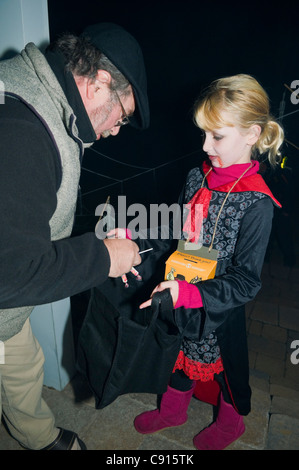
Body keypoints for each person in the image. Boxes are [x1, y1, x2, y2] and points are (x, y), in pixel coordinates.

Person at [0, 22, 149, 450]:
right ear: (101, 82)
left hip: (5, 315)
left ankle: (40, 438)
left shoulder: (42, 95)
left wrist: (98, 243)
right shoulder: (23, 130)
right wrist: (104, 259)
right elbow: (12, 272)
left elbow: (23, 221)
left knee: (23, 365)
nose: (117, 130)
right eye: (123, 115)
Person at [130, 74, 284, 450]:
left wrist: (193, 294)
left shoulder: (258, 204)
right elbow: (176, 228)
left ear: (251, 134)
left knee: (227, 367)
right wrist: (131, 234)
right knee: (177, 351)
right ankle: (173, 410)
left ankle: (232, 424)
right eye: (203, 134)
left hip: (219, 305)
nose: (204, 145)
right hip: (181, 283)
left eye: (216, 136)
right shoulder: (196, 177)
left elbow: (246, 281)